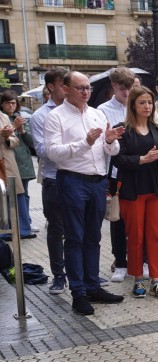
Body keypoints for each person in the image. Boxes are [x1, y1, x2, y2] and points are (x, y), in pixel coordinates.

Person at [44, 71, 126, 315]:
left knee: (93, 237)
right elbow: (52, 153)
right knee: (75, 238)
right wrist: (85, 143)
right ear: (65, 89)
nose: (85, 92)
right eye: (80, 87)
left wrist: (110, 141)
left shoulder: (97, 114)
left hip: (97, 181)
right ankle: (78, 292)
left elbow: (112, 150)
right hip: (72, 181)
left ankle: (93, 286)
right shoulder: (56, 117)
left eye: (88, 88)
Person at [111, 86, 158, 299]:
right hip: (133, 190)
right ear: (133, 105)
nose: (147, 106)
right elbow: (117, 159)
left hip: (157, 189)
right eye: (142, 103)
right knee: (136, 236)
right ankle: (138, 278)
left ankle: (157, 279)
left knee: (156, 236)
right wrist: (141, 159)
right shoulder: (123, 129)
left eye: (149, 102)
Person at [30, 67, 69, 294]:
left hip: (77, 177)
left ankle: (81, 275)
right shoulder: (40, 116)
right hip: (54, 178)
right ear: (51, 87)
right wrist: (73, 145)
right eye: (63, 83)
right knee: (56, 229)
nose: (67, 87)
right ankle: (58, 276)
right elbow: (43, 151)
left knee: (79, 228)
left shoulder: (80, 111)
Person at [97, 67, 137, 283]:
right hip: (115, 171)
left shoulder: (137, 106)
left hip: (139, 170)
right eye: (123, 89)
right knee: (118, 218)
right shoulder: (103, 110)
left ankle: (139, 259)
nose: (127, 93)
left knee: (138, 218)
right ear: (113, 86)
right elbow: (104, 143)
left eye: (130, 88)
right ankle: (120, 262)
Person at [1, 91, 35, 241]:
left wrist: (13, 133)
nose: (11, 105)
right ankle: (8, 228)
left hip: (16, 163)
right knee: (6, 197)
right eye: (8, 102)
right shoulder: (5, 117)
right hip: (7, 163)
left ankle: (23, 227)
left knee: (20, 195)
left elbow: (21, 141)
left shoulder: (10, 117)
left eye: (13, 102)